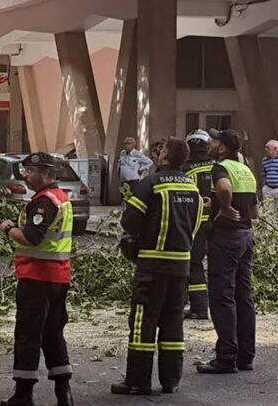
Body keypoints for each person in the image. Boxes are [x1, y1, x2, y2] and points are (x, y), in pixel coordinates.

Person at [111, 138, 202, 397]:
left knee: (143, 322)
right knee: (173, 323)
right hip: (180, 266)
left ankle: (137, 381)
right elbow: (196, 225)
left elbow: (130, 221)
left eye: (160, 150)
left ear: (163, 156)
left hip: (152, 264)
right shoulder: (192, 187)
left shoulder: (150, 184)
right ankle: (170, 381)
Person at [0, 152, 74, 406]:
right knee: (53, 333)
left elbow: (32, 237)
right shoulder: (61, 198)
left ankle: (23, 395)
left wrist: (9, 228)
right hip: (58, 277)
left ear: (47, 173)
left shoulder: (44, 202)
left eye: (30, 172)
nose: (26, 177)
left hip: (37, 278)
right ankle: (63, 392)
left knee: (28, 335)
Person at [197, 129, 258, 375]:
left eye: (214, 141)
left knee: (223, 298)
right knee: (244, 297)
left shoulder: (220, 168)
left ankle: (225, 358)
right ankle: (246, 357)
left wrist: (222, 208)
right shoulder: (246, 170)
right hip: (246, 236)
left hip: (227, 238)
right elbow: (254, 212)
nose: (210, 145)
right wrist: (223, 205)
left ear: (222, 148)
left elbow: (223, 187)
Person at [181, 130, 213, 321]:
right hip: (219, 224)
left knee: (193, 264)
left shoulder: (184, 170)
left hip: (193, 226)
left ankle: (198, 307)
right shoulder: (218, 167)